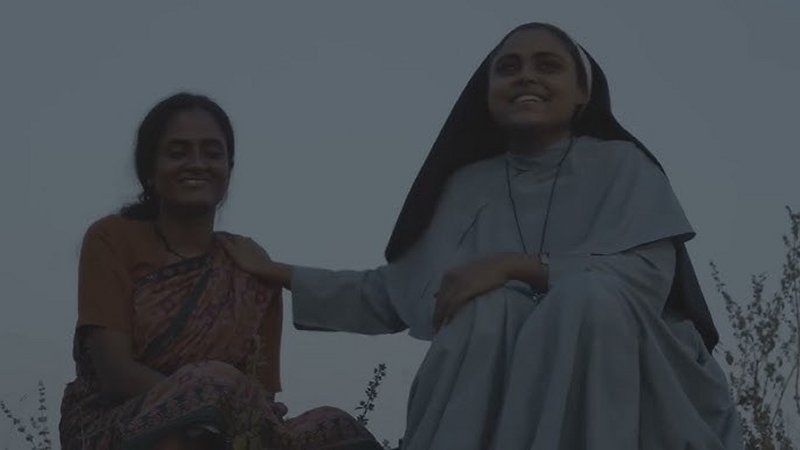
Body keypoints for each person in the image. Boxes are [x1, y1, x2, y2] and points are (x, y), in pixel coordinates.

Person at [223, 23, 744, 449]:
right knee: (489, 309)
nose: (526, 76)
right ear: (488, 91)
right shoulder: (466, 187)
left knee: (585, 297)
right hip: (502, 373)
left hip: (632, 368)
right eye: (508, 67)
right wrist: (278, 272)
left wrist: (514, 265)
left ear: (582, 93)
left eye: (547, 65)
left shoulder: (622, 165)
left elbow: (646, 278)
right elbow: (396, 293)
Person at [59, 93, 382, 450]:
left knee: (337, 428)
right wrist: (207, 399)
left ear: (229, 168)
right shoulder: (112, 238)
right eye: (178, 153)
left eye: (212, 153)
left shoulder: (248, 264)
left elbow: (260, 392)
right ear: (149, 170)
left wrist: (233, 417)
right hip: (121, 424)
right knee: (213, 387)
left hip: (231, 428)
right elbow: (114, 373)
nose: (197, 164)